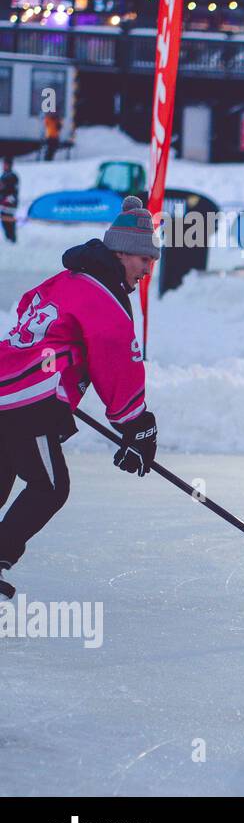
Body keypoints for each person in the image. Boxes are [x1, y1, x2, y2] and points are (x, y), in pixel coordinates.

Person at [0, 196, 160, 599]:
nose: (147, 268)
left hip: (7, 388)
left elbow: (27, 307)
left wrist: (63, 355)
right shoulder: (104, 299)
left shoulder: (66, 280)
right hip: (23, 403)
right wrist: (137, 426)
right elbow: (117, 363)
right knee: (49, 487)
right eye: (143, 259)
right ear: (123, 253)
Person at [0, 156, 17, 243]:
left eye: (5, 164)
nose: (4, 166)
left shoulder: (12, 176)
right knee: (4, 221)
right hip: (3, 203)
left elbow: (12, 190)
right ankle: (8, 238)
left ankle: (12, 239)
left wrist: (8, 199)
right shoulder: (3, 175)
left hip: (10, 202)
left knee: (9, 221)